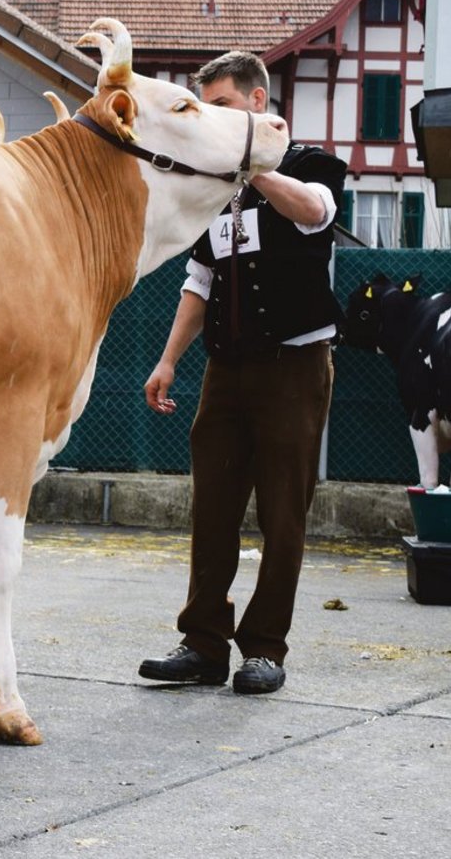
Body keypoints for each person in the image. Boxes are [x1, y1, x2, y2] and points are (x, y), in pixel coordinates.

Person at [138, 51, 345, 695]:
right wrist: (168, 360)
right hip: (225, 369)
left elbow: (313, 212)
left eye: (222, 105)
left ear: (257, 102)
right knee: (213, 508)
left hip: (294, 365)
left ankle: (264, 648)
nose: (213, 118)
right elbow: (199, 279)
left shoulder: (311, 163)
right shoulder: (217, 185)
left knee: (283, 513)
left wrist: (257, 167)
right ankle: (203, 644)